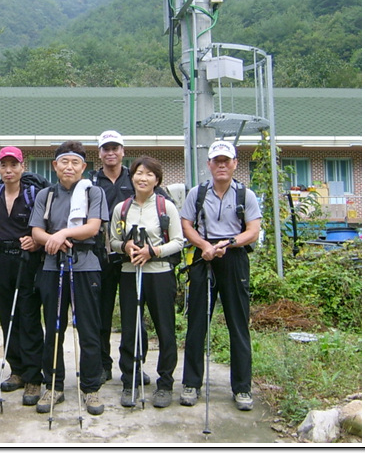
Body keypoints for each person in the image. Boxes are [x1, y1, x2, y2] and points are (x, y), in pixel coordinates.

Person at [179, 140, 261, 411]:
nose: (222, 165)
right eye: (217, 161)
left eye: (227, 160)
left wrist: (229, 244)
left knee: (238, 323)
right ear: (209, 165)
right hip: (204, 257)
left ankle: (242, 388)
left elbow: (253, 230)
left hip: (234, 256)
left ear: (235, 163)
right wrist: (204, 246)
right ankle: (191, 383)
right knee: (197, 322)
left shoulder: (244, 194)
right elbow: (186, 225)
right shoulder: (197, 192)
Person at [29, 141, 109, 416]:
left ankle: (90, 387)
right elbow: (36, 231)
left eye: (75, 162)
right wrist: (53, 238)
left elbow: (93, 227)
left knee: (88, 329)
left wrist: (62, 234)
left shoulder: (93, 192)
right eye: (64, 162)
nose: (69, 167)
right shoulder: (46, 195)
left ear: (83, 167)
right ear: (55, 166)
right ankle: (53, 384)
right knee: (53, 329)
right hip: (52, 267)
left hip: (86, 266)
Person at [110, 156, 184, 408]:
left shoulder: (166, 206)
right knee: (130, 328)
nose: (143, 178)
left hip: (160, 273)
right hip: (130, 273)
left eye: (149, 174)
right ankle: (130, 379)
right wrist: (126, 246)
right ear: (131, 177)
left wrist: (153, 252)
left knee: (165, 327)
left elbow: (178, 241)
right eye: (138, 173)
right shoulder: (122, 208)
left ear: (157, 179)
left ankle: (165, 383)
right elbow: (112, 241)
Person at [0, 146, 44, 406]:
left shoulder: (33, 193)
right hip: (2, 258)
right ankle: (16, 370)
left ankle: (34, 376)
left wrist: (35, 241)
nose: (8, 170)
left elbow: (43, 226)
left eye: (13, 165)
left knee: (27, 314)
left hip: (28, 259)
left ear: (22, 167)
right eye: (4, 165)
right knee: (7, 314)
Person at [90, 129, 154, 386]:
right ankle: (103, 365)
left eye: (115, 148)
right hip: (101, 258)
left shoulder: (137, 177)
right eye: (106, 148)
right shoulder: (92, 183)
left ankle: (136, 364)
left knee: (134, 314)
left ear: (123, 151)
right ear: (100, 153)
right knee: (101, 314)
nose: (111, 152)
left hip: (133, 258)